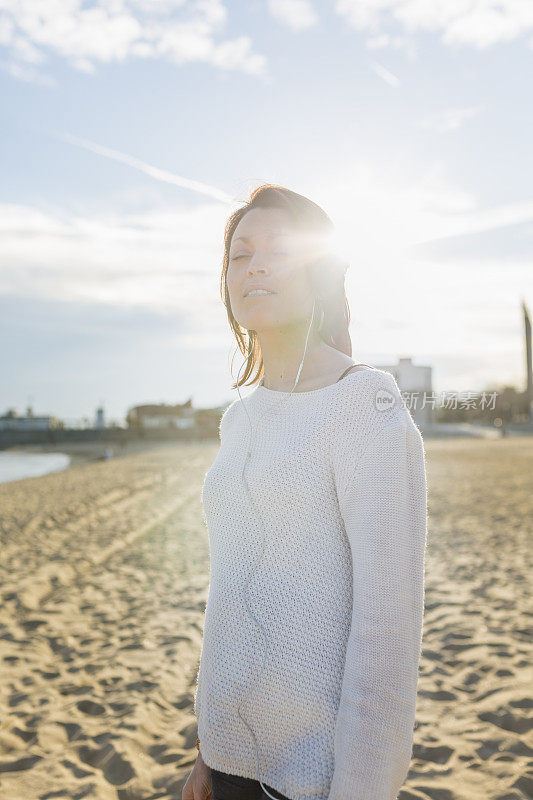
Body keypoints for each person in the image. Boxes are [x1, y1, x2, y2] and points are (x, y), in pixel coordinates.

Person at [182, 184, 428, 800]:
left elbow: (386, 638)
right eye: (240, 254)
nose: (256, 265)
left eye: (279, 252)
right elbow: (230, 595)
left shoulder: (363, 404)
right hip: (227, 764)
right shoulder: (239, 417)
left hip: (310, 780)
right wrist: (209, 752)